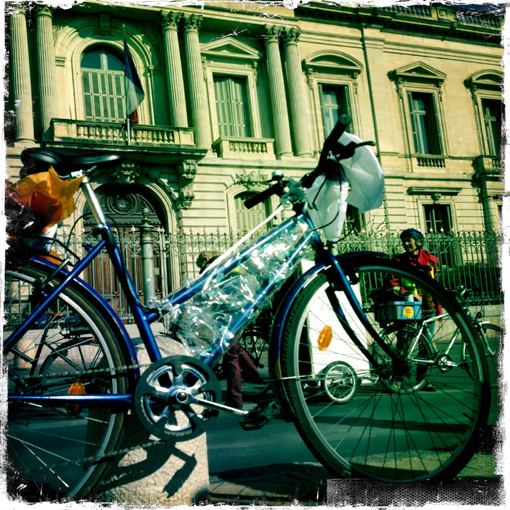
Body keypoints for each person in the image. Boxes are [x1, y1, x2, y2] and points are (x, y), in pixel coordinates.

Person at [196, 251, 264, 410]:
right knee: (235, 349)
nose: (203, 268)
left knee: (230, 356)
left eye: (202, 265)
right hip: (243, 312)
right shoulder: (232, 266)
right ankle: (256, 377)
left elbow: (216, 294)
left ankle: (236, 400)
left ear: (207, 260)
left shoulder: (219, 269)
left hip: (231, 317)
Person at [389, 228, 441, 391]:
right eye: (403, 240)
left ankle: (423, 379)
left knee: (425, 346)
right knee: (404, 344)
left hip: (428, 308)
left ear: (419, 242)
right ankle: (397, 379)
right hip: (408, 309)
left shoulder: (430, 260)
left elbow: (435, 281)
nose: (405, 244)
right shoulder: (398, 262)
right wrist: (411, 293)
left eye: (409, 240)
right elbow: (393, 284)